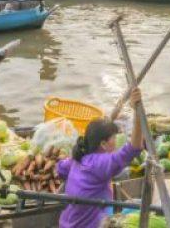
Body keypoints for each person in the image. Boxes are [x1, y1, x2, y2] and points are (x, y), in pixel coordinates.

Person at [57, 88, 143, 228]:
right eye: (114, 138)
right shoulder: (99, 163)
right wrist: (138, 115)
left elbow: (60, 168)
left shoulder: (78, 158)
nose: (116, 141)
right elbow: (133, 148)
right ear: (103, 144)